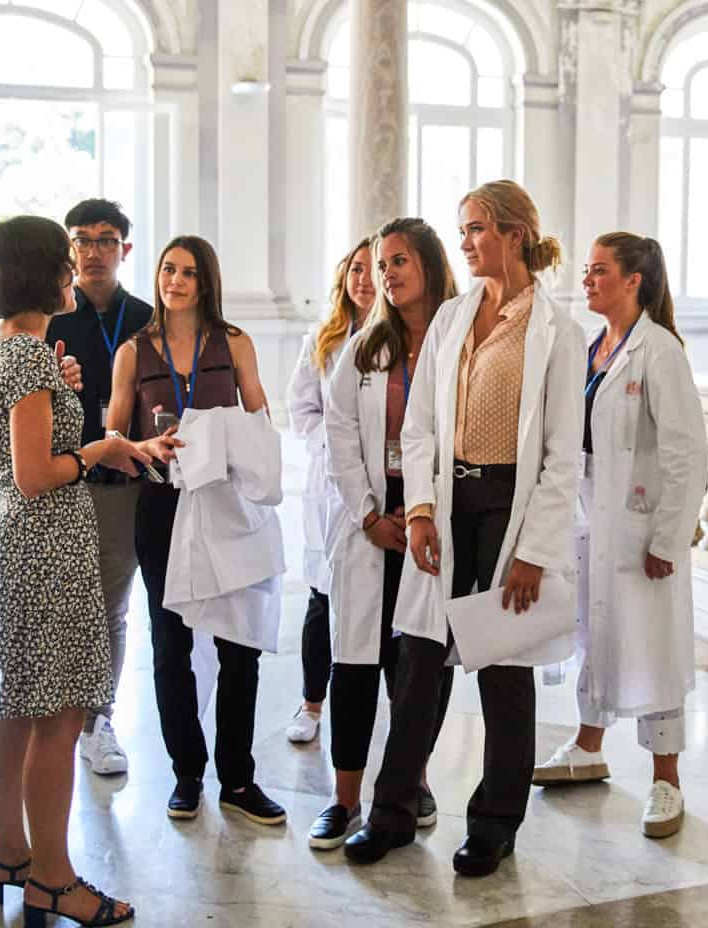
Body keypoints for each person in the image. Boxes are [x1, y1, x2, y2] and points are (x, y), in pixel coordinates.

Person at [344, 181, 583, 877]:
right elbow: (420, 425)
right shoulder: (452, 316)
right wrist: (420, 509)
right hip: (448, 500)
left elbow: (563, 455)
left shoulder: (557, 332)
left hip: (512, 508)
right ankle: (391, 813)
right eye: (463, 230)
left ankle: (496, 823)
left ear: (514, 233)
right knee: (418, 660)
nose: (466, 242)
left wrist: (534, 551)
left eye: (476, 228)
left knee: (504, 669)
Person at [0, 215, 152, 926]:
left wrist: (59, 388)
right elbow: (36, 474)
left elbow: (15, 437)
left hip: (10, 538)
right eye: (66, 260)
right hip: (47, 546)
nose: (76, 269)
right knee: (59, 717)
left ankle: (7, 855)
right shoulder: (28, 356)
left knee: (16, 710)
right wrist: (102, 448)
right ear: (46, 272)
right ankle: (53, 878)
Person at [106, 234, 287, 825]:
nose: (175, 281)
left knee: (239, 646)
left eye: (187, 272)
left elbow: (261, 420)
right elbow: (113, 438)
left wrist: (230, 440)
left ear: (205, 282)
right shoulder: (134, 351)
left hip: (225, 504)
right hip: (162, 507)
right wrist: (145, 446)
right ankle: (187, 774)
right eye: (167, 270)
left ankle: (238, 779)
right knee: (170, 645)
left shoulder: (234, 342)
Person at [531, 233, 707, 839]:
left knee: (653, 647)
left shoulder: (659, 351)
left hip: (639, 528)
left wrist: (668, 539)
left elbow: (688, 454)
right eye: (586, 270)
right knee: (594, 633)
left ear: (633, 280)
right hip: (588, 518)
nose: (587, 279)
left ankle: (666, 779)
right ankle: (588, 745)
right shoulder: (593, 347)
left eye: (599, 270)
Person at [309, 219, 458, 849]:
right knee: (354, 661)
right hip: (370, 520)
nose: (387, 275)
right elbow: (339, 433)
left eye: (399, 261)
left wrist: (424, 511)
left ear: (429, 265)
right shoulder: (365, 347)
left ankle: (412, 780)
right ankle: (345, 799)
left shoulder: (460, 341)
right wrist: (369, 515)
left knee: (422, 665)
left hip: (435, 519)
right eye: (381, 263)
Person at [44, 198, 154, 777]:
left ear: (124, 249)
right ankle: (56, 715)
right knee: (63, 606)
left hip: (124, 482)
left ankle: (97, 721)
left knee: (112, 605)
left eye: (105, 239)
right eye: (82, 239)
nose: (93, 251)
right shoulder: (51, 317)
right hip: (62, 479)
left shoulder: (145, 317)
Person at [284, 239, 374, 745]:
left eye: (373, 269)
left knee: (374, 603)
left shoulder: (403, 336)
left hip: (379, 482)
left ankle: (371, 706)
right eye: (355, 269)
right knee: (321, 596)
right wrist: (339, 445)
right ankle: (311, 703)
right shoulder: (322, 338)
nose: (364, 279)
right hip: (328, 483)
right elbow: (302, 409)